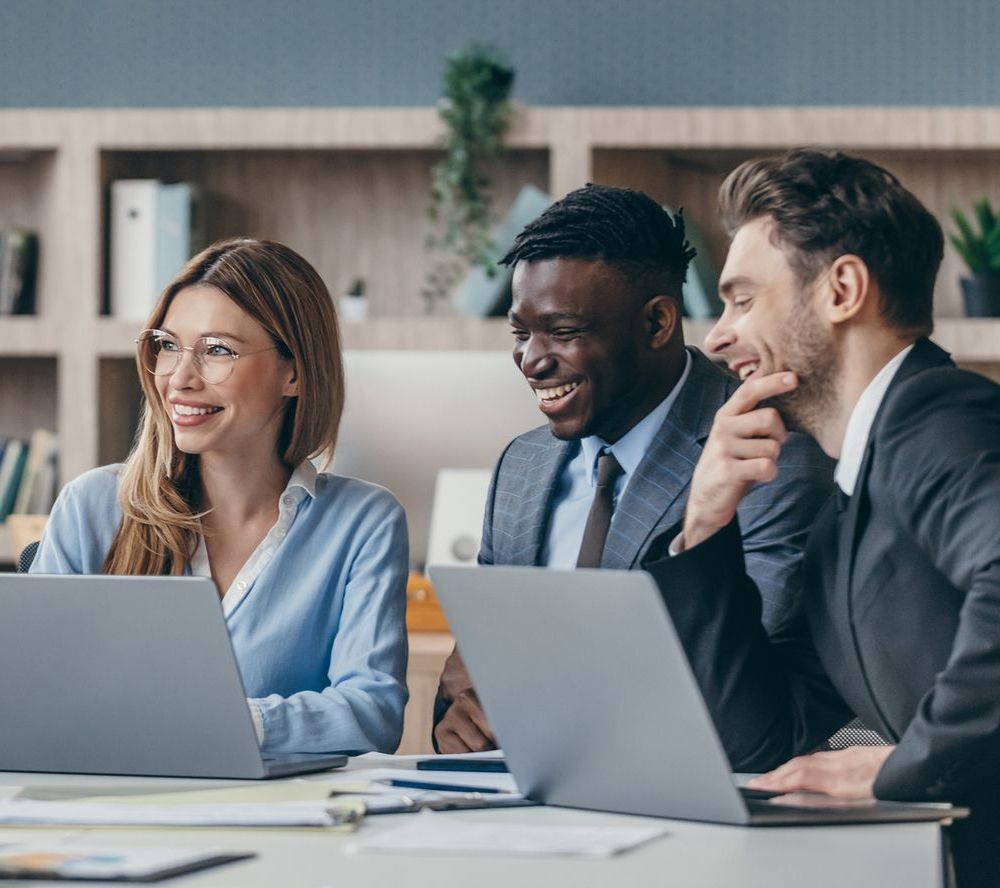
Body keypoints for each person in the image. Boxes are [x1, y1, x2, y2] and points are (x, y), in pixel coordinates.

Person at [644, 148, 1000, 888]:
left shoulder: (938, 417)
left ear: (842, 289)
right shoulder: (845, 509)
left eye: (742, 300)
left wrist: (910, 765)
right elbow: (762, 743)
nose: (715, 337)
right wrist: (705, 526)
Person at [434, 184, 834, 753]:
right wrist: (458, 722)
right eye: (521, 334)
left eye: (563, 332)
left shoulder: (766, 456)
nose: (531, 360)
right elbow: (472, 677)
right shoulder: (521, 466)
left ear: (656, 323)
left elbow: (751, 701)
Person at [31, 238, 408, 757]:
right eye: (167, 345)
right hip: (114, 814)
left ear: (293, 372)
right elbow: (34, 700)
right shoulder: (92, 507)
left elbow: (371, 716)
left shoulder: (363, 521)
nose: (180, 378)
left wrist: (208, 720)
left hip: (283, 823)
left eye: (217, 351)